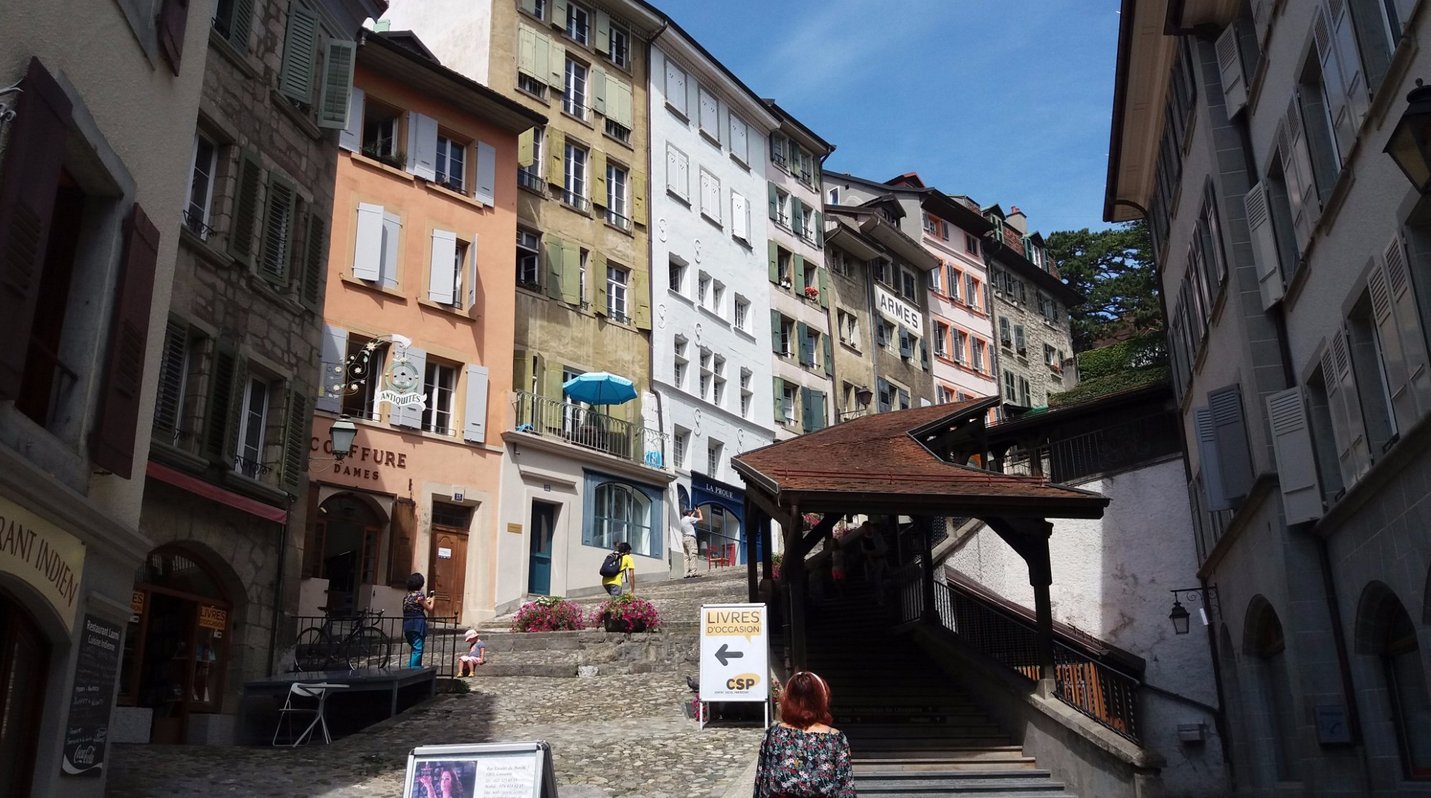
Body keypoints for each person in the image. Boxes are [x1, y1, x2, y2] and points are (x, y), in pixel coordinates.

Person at [753, 671, 855, 798]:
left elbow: (762, 785)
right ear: (823, 699)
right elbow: (845, 789)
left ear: (787, 699)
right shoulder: (835, 739)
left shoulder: (773, 735)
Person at [403, 572, 436, 668]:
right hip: (417, 623)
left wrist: (426, 601)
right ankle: (410, 672)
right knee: (418, 649)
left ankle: (417, 669)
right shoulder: (419, 595)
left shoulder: (407, 595)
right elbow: (429, 608)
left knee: (415, 648)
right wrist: (433, 600)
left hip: (407, 624)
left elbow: (416, 604)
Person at [679, 507, 703, 578]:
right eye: (690, 512)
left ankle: (686, 573)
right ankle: (693, 572)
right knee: (693, 554)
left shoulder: (682, 520)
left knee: (686, 557)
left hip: (684, 539)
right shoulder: (689, 519)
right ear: (688, 513)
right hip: (691, 538)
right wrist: (699, 512)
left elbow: (690, 519)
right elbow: (701, 519)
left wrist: (693, 513)